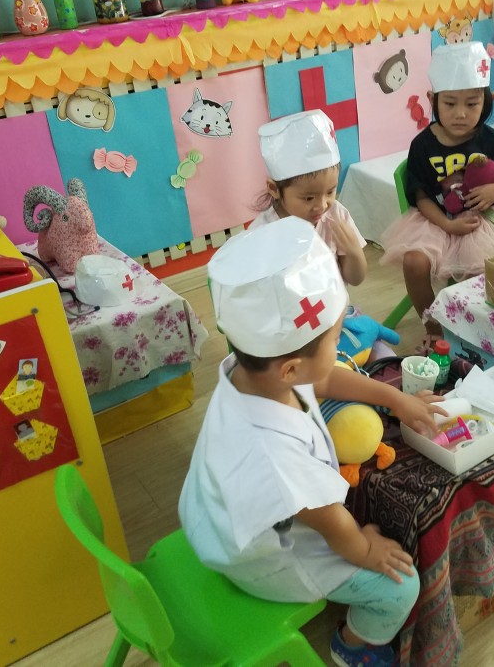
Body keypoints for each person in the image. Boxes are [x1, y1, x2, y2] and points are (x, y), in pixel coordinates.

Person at [179, 216, 444, 667]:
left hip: (217, 518)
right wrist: (366, 547)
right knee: (401, 588)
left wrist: (394, 398)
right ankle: (352, 646)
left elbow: (322, 380)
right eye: (336, 339)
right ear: (291, 369)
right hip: (266, 562)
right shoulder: (272, 454)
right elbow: (333, 524)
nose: (341, 347)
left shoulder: (256, 374)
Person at [379, 42, 494, 338]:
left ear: (488, 100)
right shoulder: (423, 145)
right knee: (414, 263)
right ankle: (433, 327)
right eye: (450, 104)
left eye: (472, 104)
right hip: (434, 222)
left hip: (485, 221)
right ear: (433, 99)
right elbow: (421, 196)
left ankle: (479, 331)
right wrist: (447, 224)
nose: (461, 114)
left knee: (488, 265)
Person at [250, 109, 368, 286]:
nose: (322, 205)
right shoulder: (263, 232)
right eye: (308, 198)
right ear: (274, 189)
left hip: (336, 303)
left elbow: (355, 279)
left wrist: (354, 253)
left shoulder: (336, 216)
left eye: (330, 192)